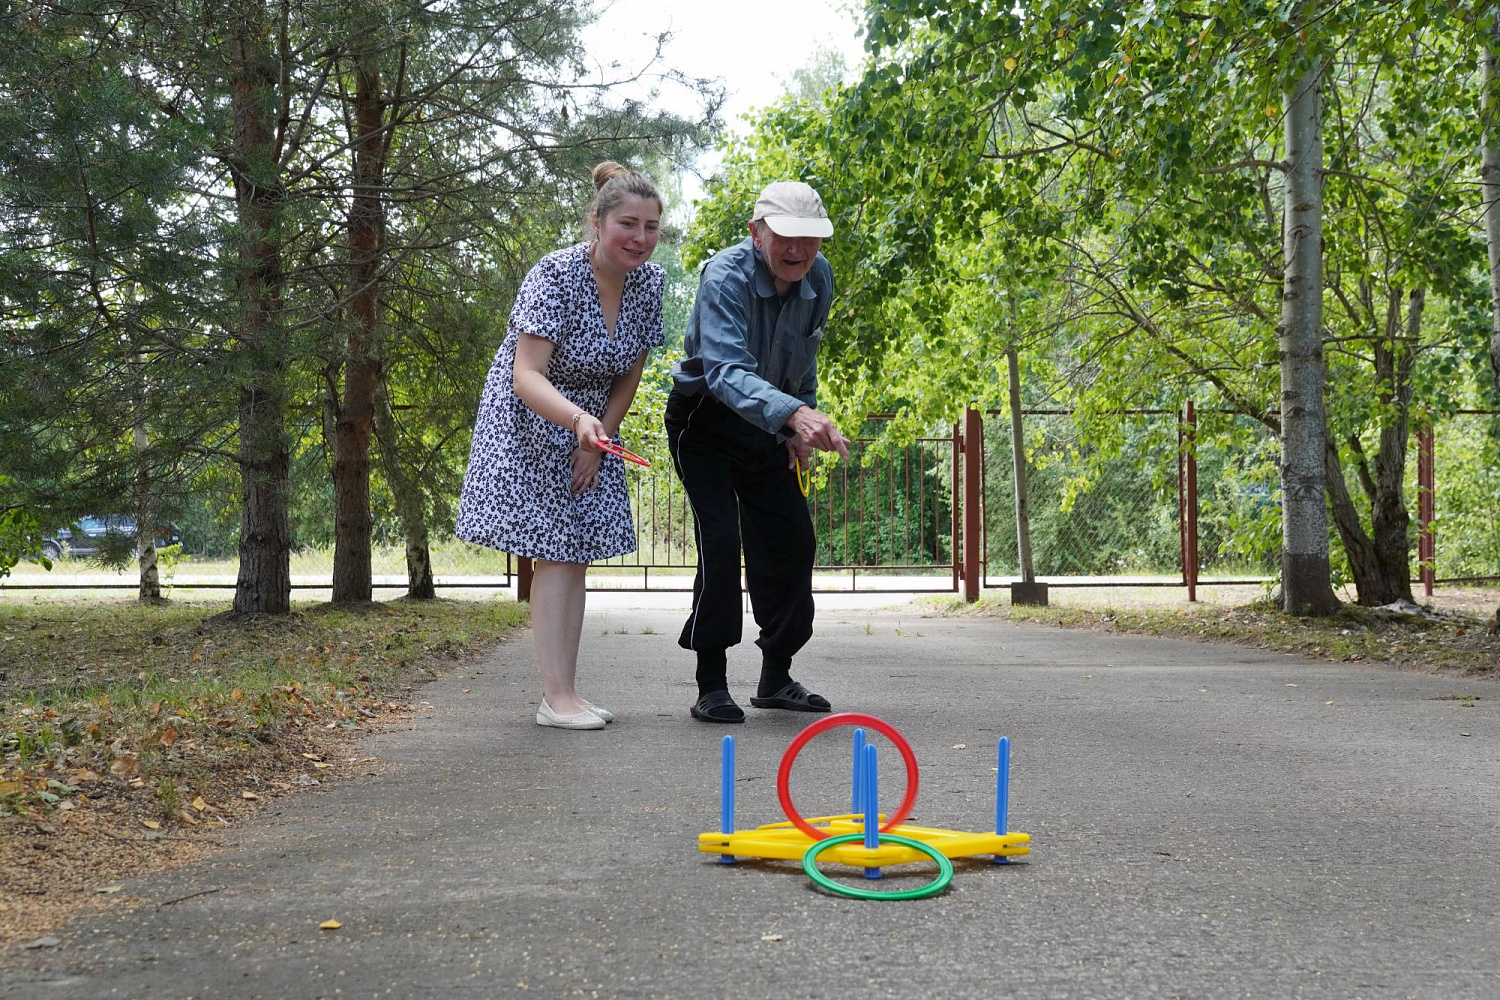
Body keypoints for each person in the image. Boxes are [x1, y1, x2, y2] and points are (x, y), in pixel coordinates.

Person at [456, 162, 665, 731]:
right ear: (596, 221)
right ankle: (556, 697)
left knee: (576, 555)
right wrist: (577, 422)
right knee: (554, 555)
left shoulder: (651, 283)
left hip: (592, 425)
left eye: (651, 228)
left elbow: (629, 374)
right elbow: (526, 374)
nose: (640, 239)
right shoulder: (553, 274)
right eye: (628, 224)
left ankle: (566, 692)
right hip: (531, 416)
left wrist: (599, 437)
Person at [665, 180, 850, 724]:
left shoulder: (820, 277)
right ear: (756, 232)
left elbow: (802, 359)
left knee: (793, 539)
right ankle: (711, 682)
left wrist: (798, 420)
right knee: (721, 539)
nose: (797, 251)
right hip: (706, 421)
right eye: (785, 237)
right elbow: (724, 373)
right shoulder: (724, 276)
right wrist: (793, 414)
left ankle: (776, 677)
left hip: (770, 425)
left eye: (810, 240)